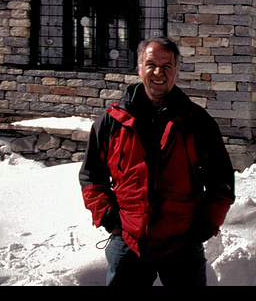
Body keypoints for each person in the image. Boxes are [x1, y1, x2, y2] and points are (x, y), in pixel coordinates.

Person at [80, 37, 236, 286]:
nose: (158, 73)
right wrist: (110, 218)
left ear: (176, 71)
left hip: (183, 244)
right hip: (129, 243)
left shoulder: (197, 121)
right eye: (151, 64)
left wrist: (206, 225)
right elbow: (91, 178)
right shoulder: (112, 122)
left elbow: (222, 181)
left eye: (167, 66)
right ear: (139, 67)